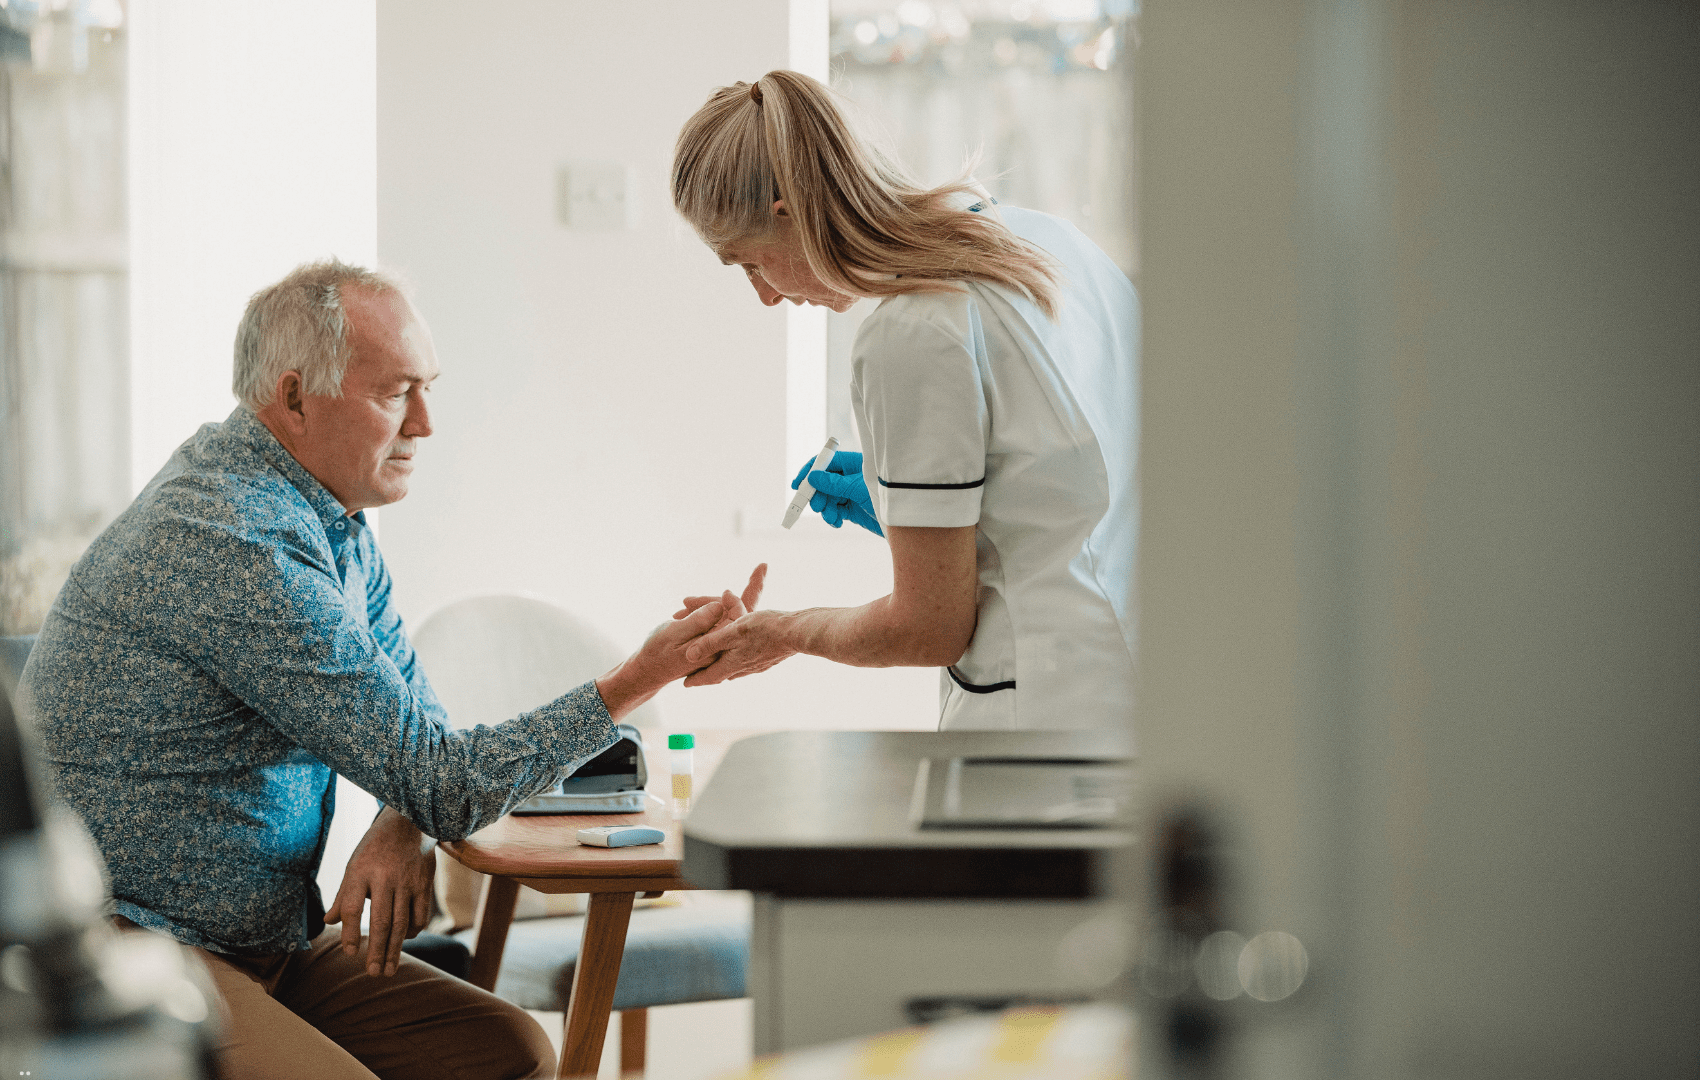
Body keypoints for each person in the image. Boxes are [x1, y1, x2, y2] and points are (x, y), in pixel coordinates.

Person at [19, 260, 742, 1080]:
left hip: (267, 940)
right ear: (295, 398)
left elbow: (421, 741)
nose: (426, 423)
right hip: (140, 945)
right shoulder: (235, 538)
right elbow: (444, 782)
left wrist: (401, 819)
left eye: (428, 389)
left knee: (511, 1056)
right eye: (397, 393)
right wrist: (637, 678)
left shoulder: (333, 523)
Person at [669, 70, 1137, 731]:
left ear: (790, 213)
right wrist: (911, 508)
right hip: (1143, 682)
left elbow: (927, 631)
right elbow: (1069, 483)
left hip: (1046, 721)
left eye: (750, 262)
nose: (765, 296)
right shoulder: (1049, 242)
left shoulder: (911, 330)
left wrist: (779, 631)